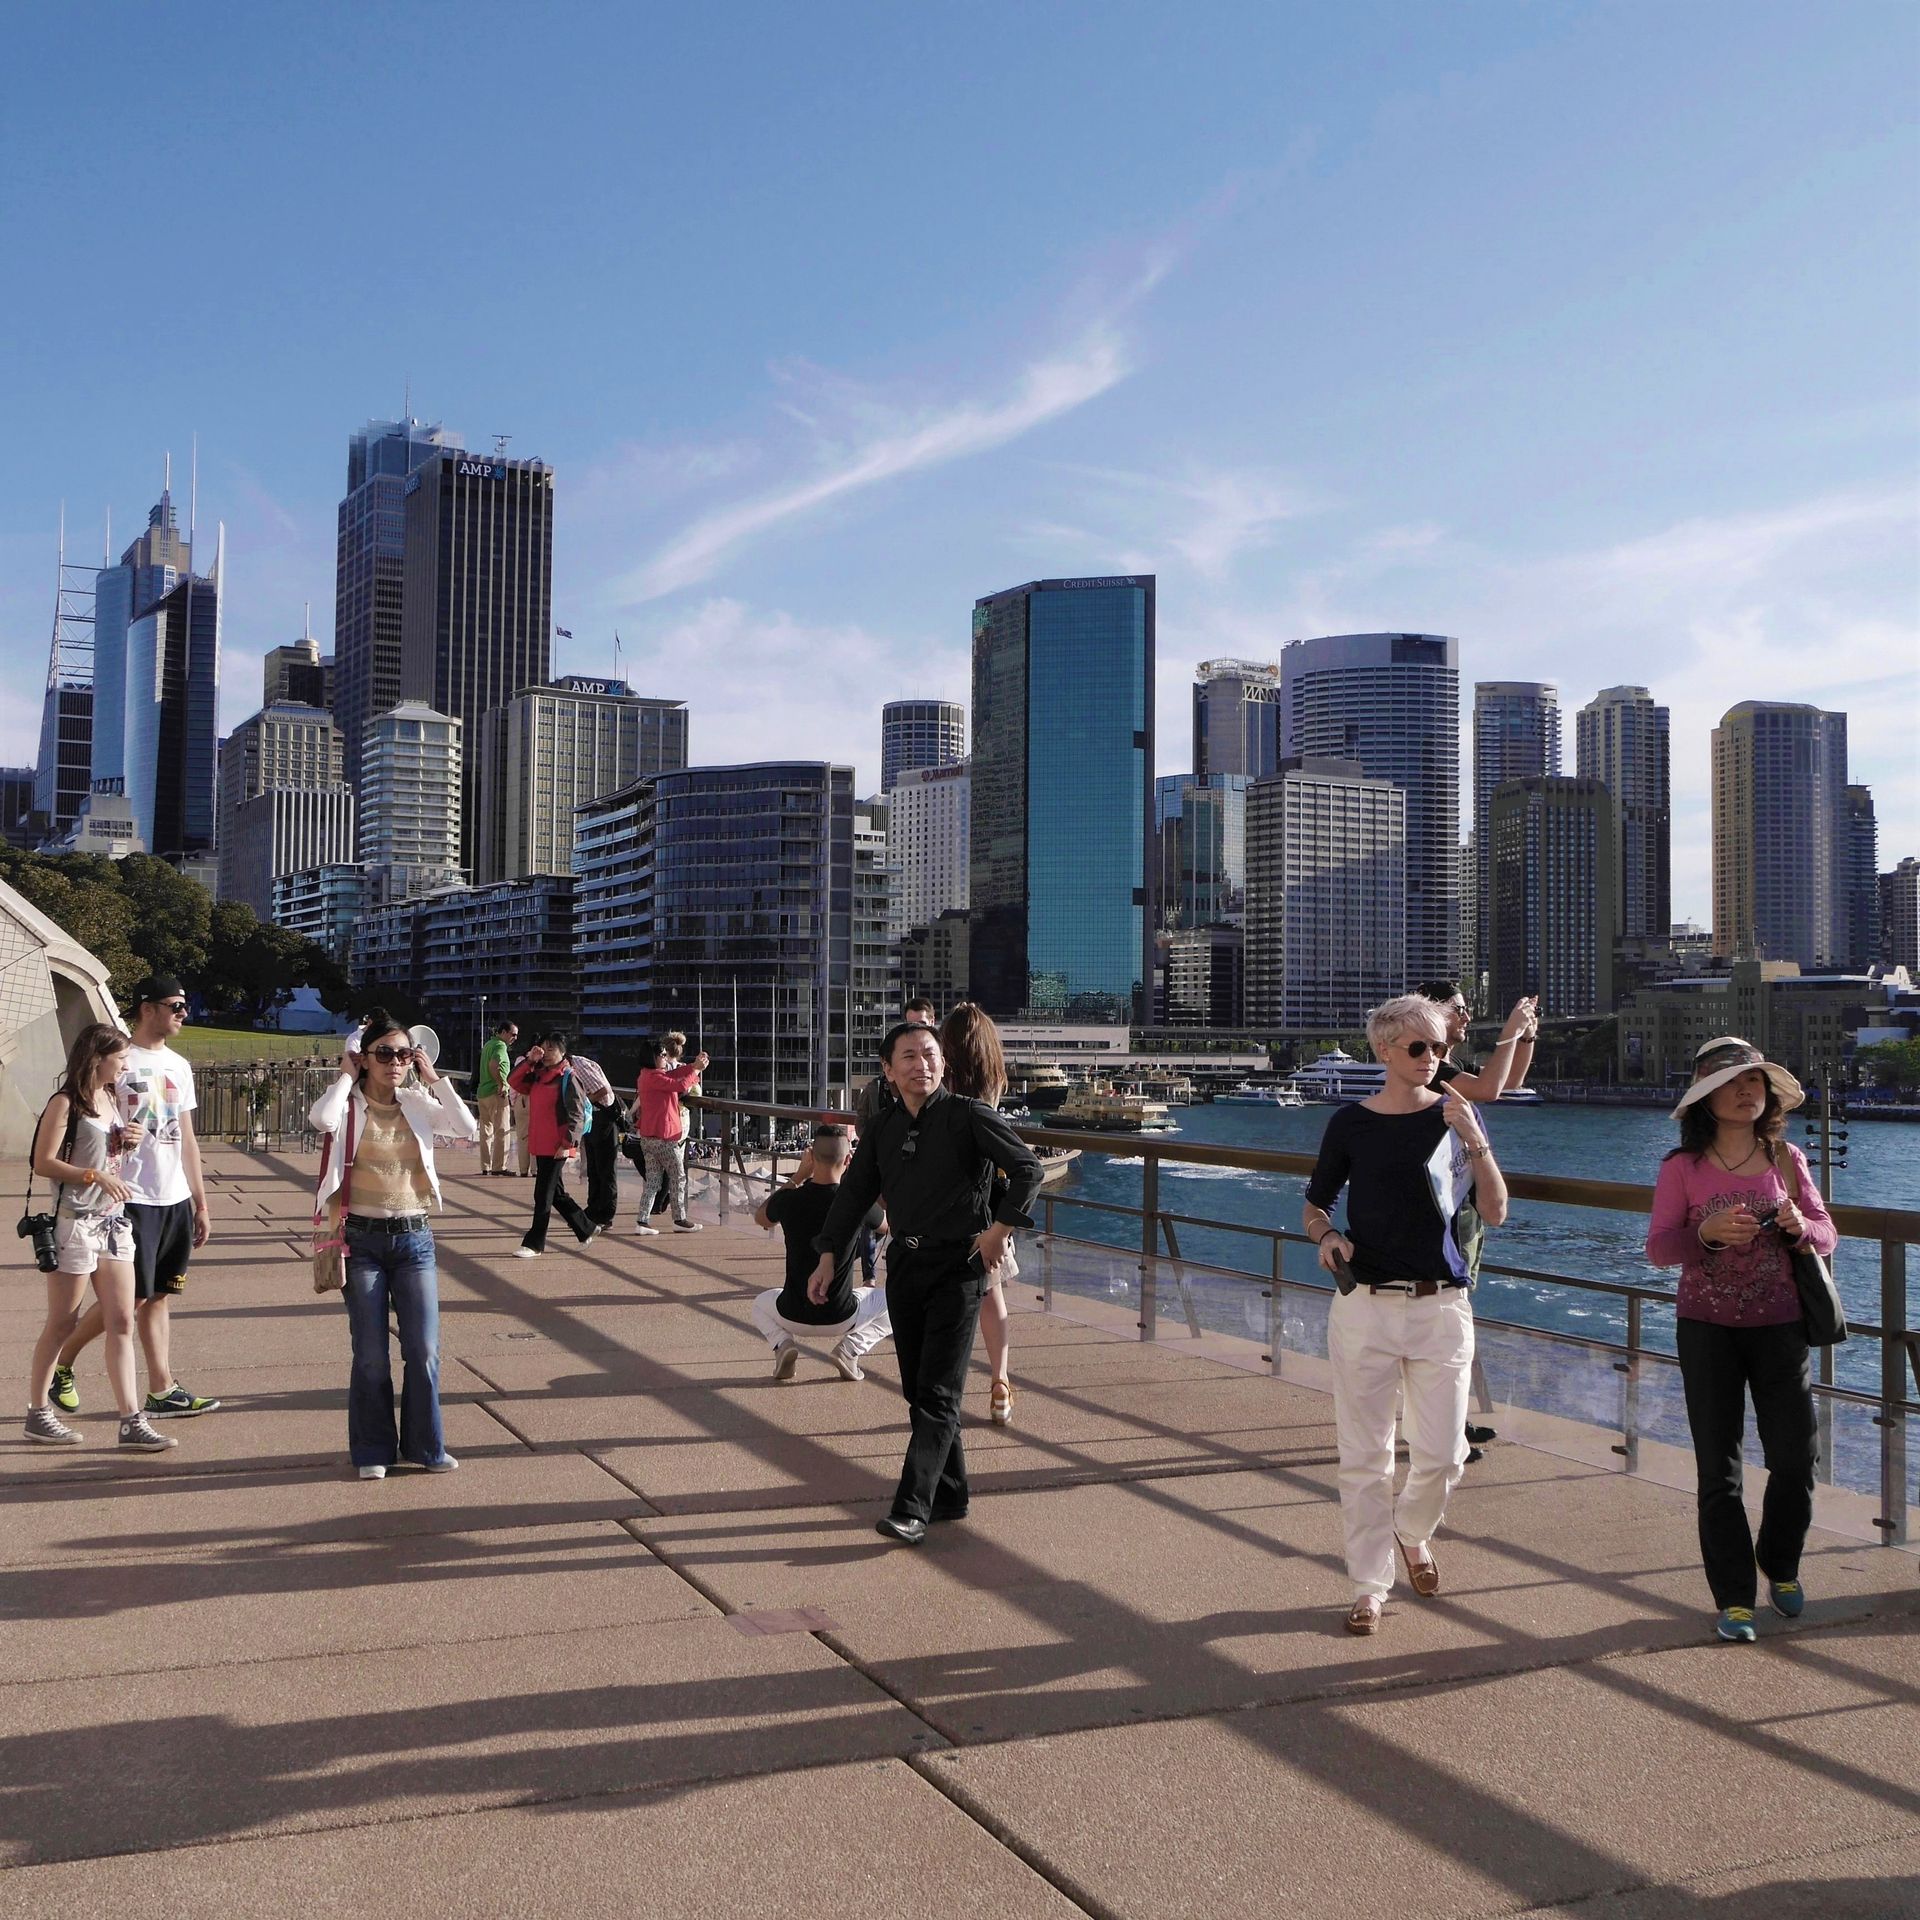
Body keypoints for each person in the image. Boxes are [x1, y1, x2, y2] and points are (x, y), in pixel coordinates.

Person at [1303, 993, 1508, 1634]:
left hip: (1442, 1307)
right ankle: (1369, 1586)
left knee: (1444, 1455)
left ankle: (1411, 1532)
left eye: (1441, 1049)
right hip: (1364, 1307)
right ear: (1384, 1050)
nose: (1432, 1059)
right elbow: (1315, 1204)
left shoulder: (1455, 1117)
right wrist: (1325, 1237)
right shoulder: (1350, 1124)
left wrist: (1475, 1140)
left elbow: (1496, 1210)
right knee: (1365, 1457)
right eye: (1419, 1048)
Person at [811, 1021, 1042, 1544]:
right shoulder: (885, 1130)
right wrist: (828, 1257)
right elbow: (852, 1198)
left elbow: (1028, 1170)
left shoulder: (969, 1117)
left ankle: (912, 1506)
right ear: (889, 1071)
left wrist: (997, 1232)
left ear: (944, 1063)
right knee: (920, 1392)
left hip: (960, 1269)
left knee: (938, 1392)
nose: (923, 1065)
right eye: (910, 1057)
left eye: (931, 1054)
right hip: (907, 1267)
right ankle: (952, 1493)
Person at [1645, 1037, 1833, 1644]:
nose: (1747, 1091)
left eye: (1755, 1082)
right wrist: (1705, 1233)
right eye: (1732, 1083)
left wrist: (1802, 1226)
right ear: (1706, 1098)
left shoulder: (1787, 1159)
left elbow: (1827, 1233)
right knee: (1718, 1469)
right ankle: (1734, 1598)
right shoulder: (1681, 1168)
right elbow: (1658, 1248)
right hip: (1706, 1331)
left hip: (1781, 1328)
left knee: (1796, 1457)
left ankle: (1779, 1563)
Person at [311, 1009, 479, 1479]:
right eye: (384, 1053)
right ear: (365, 1058)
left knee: (423, 1351)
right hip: (360, 1241)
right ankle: (372, 1451)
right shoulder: (346, 1104)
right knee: (369, 1355)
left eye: (404, 1054)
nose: (395, 1062)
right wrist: (345, 1076)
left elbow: (466, 1129)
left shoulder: (415, 1102)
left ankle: (427, 1447)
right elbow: (321, 1120)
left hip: (414, 1240)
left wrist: (435, 1079)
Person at [49, 976, 218, 1423]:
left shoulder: (179, 1065)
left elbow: (187, 1139)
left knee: (158, 1295)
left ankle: (162, 1389)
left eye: (185, 1004)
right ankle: (60, 1362)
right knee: (128, 1302)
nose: (184, 1013)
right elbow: (86, 1117)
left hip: (174, 1196)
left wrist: (199, 1202)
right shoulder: (118, 1060)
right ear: (147, 1008)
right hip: (129, 1195)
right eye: (175, 1005)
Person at [24, 1024, 175, 1451]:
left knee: (122, 1319)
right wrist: (94, 1174)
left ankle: (132, 1419)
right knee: (62, 1322)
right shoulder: (64, 1102)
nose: (126, 1065)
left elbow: (104, 1154)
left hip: (113, 1223)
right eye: (120, 1057)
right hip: (74, 1223)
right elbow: (44, 1162)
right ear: (98, 1057)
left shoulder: (111, 1098)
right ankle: (38, 1413)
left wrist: (129, 1140)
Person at [1414, 982, 1539, 1462]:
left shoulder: (1445, 1066)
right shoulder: (1431, 1068)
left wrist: (1524, 1038)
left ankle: (1453, 1423)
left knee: (1453, 1322)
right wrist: (1509, 1028)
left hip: (1459, 1205)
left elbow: (1506, 1085)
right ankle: (1444, 1431)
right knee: (1447, 1326)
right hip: (1442, 1211)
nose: (1467, 1019)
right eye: (1460, 1011)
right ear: (1432, 1012)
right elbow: (1488, 1088)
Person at [752, 1125, 892, 1381]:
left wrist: (798, 1176)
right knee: (895, 1301)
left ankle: (783, 1344)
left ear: (811, 1157)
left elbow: (761, 1217)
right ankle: (850, 1349)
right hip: (841, 1315)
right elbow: (886, 1225)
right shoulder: (855, 1202)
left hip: (791, 1312)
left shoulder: (791, 1200)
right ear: (848, 1160)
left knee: (760, 1304)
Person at [938, 1001, 1021, 1426]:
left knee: (939, 1299)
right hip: (986, 1207)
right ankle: (1000, 1382)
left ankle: (938, 1392)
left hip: (940, 1204)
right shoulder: (992, 1083)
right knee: (992, 1295)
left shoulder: (941, 1086)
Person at [509, 1034, 601, 1258]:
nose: (546, 1053)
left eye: (551, 1049)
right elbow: (514, 1082)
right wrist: (530, 1060)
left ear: (562, 1052)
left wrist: (567, 1143)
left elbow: (576, 1114)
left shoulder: (568, 1077)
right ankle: (586, 1227)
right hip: (541, 1143)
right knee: (556, 1192)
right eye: (543, 1048)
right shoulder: (538, 1075)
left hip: (558, 1145)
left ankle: (534, 1243)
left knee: (543, 1194)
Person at [634, 1038, 709, 1234]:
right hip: (663, 1137)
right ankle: (679, 1218)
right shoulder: (655, 1078)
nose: (666, 1058)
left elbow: (674, 1075)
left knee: (653, 1181)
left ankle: (642, 1221)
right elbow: (680, 1084)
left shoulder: (646, 1075)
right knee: (678, 1176)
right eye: (663, 1055)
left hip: (649, 1136)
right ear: (655, 1057)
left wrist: (693, 1066)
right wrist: (695, 1071)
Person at [564, 1048, 623, 1228]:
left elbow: (604, 1090)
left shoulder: (579, 1066)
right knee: (594, 1169)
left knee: (605, 1170)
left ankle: (606, 1214)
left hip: (603, 1119)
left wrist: (583, 1100)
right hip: (592, 1119)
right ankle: (593, 1208)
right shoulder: (572, 1067)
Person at [474, 1018, 518, 1175]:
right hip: (495, 1093)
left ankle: (485, 1166)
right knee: (502, 1130)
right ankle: (499, 1166)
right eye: (513, 1034)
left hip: (482, 1092)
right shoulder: (500, 1046)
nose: (515, 1038)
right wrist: (501, 1083)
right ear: (504, 1032)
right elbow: (494, 1065)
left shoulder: (488, 1044)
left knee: (485, 1131)